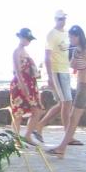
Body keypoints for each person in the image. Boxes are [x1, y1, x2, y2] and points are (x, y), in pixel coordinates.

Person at [49, 24, 86, 158]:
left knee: (73, 119)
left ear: (78, 37)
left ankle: (62, 148)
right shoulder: (77, 50)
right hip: (82, 87)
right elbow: (71, 64)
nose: (70, 40)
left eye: (72, 37)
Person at [35, 10, 71, 138]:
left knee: (63, 103)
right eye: (60, 19)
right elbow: (47, 56)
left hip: (65, 70)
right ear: (55, 19)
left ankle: (40, 125)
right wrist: (50, 77)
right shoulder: (51, 34)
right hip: (57, 71)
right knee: (66, 102)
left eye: (64, 18)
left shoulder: (66, 33)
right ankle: (68, 135)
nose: (63, 21)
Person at [9, 28, 43, 141]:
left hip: (30, 83)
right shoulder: (16, 52)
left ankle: (27, 135)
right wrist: (23, 85)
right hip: (20, 84)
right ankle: (16, 139)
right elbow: (17, 70)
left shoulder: (25, 52)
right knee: (18, 113)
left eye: (29, 39)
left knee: (36, 110)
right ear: (21, 37)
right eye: (27, 38)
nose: (28, 41)